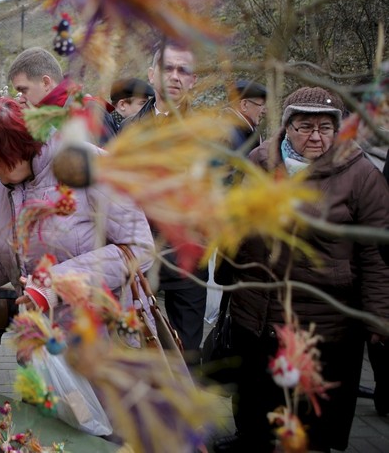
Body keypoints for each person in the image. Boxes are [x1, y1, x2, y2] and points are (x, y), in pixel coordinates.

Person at [222, 86, 389, 452]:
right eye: (305, 126)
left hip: (322, 322)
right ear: (287, 126)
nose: (316, 136)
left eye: (325, 128)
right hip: (258, 312)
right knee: (255, 403)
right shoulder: (260, 160)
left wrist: (379, 317)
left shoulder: (360, 175)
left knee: (312, 421)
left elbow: (376, 254)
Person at [0, 97, 155, 336]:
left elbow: (139, 249)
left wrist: (54, 283)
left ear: (14, 148)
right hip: (44, 338)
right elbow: (4, 260)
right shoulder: (6, 186)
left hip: (105, 334)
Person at [121, 41, 208, 363]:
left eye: (183, 70)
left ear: (193, 79)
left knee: (187, 357)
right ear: (151, 75)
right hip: (139, 251)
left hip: (188, 256)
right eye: (167, 68)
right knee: (138, 349)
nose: (174, 76)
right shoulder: (129, 129)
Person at [7, 47, 117, 144]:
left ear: (45, 83)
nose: (20, 99)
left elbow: (110, 159)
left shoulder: (89, 111)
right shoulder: (41, 119)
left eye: (24, 90)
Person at [223, 79, 267, 154]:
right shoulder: (226, 134)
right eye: (261, 105)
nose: (264, 111)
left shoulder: (250, 132)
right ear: (244, 105)